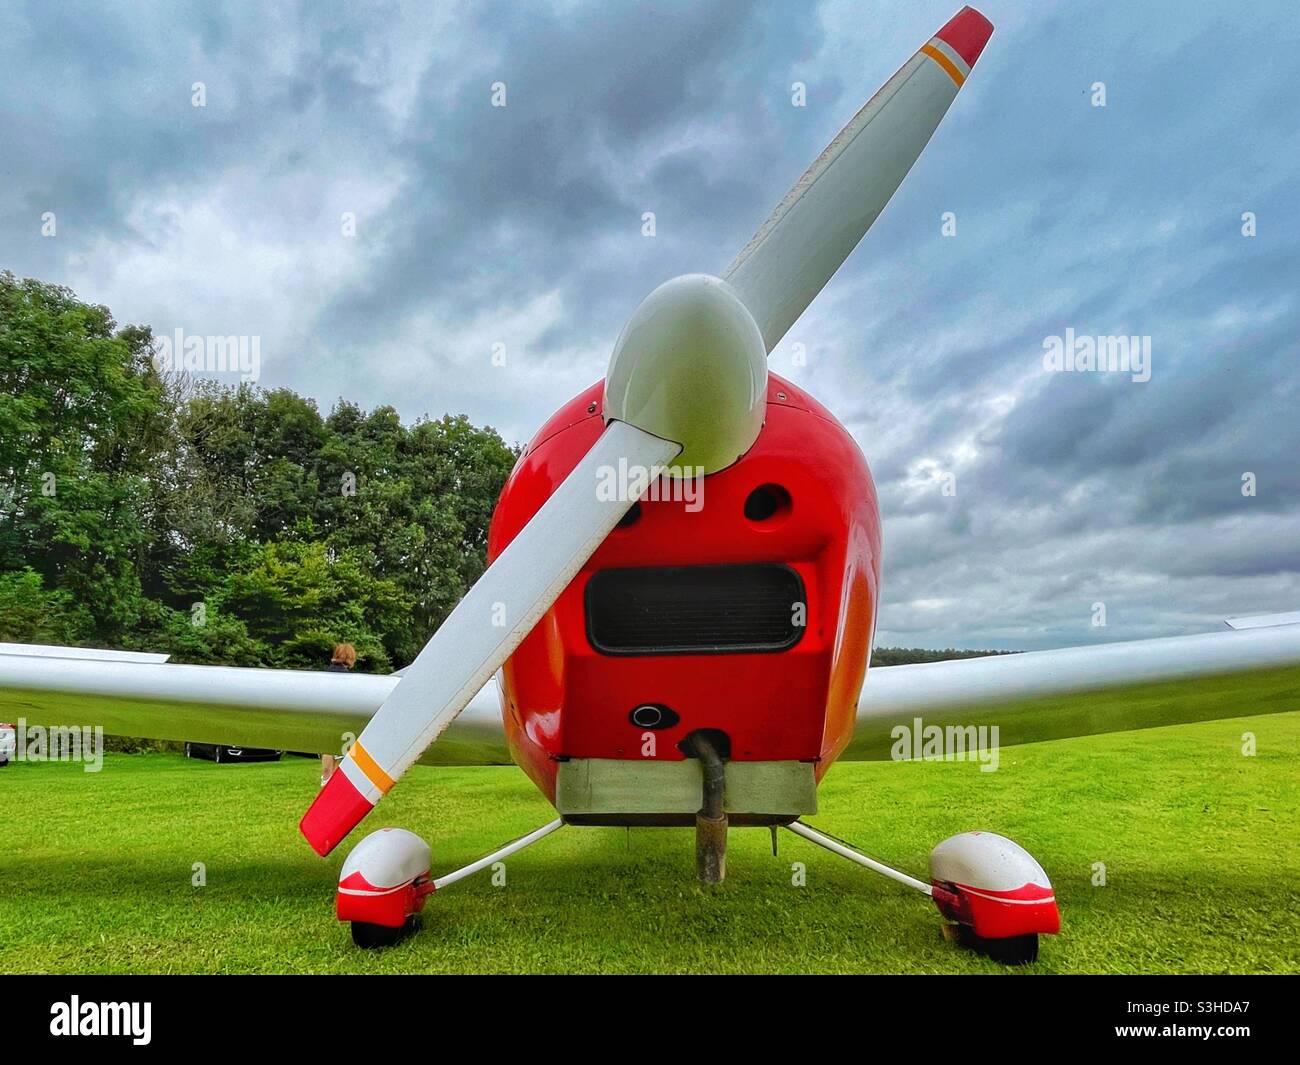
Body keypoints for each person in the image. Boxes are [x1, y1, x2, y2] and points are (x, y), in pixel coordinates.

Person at [321, 643, 357, 786]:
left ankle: (325, 780)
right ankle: (338, 784)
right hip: (341, 720)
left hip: (325, 719)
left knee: (327, 750)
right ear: (350, 657)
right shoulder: (347, 678)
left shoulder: (325, 674)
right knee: (343, 752)